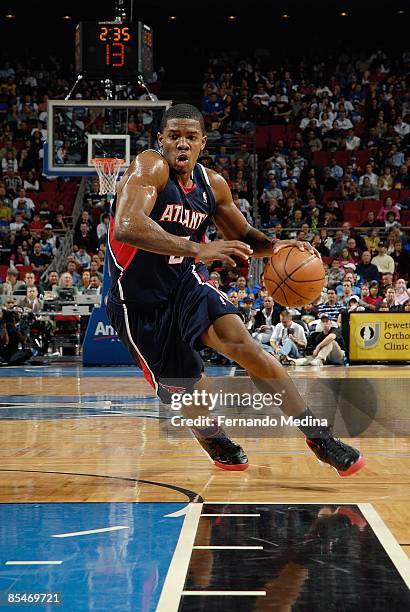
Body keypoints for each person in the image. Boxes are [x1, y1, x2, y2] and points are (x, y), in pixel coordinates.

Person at [106, 103, 365, 477]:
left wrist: (278, 246)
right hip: (139, 302)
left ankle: (321, 439)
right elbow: (127, 225)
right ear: (160, 139)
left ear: (202, 143)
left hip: (185, 284)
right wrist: (197, 247)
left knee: (246, 346)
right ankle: (212, 437)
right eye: (175, 136)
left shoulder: (212, 184)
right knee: (187, 390)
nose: (182, 144)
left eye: (190, 138)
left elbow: (243, 237)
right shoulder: (150, 167)